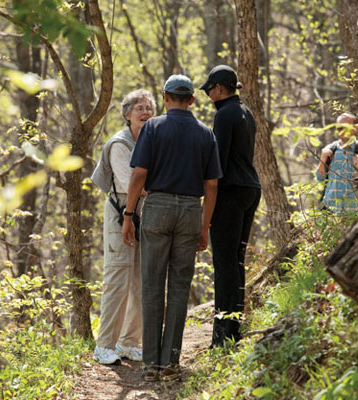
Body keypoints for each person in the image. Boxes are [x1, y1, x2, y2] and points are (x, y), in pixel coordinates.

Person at [122, 75, 222, 381]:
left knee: (152, 285)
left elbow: (139, 175)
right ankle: (170, 363)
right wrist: (204, 227)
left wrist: (128, 214)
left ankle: (151, 364)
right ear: (192, 99)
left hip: (158, 209)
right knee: (179, 287)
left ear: (165, 97)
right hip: (191, 210)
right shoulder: (206, 133)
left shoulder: (152, 127)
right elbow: (212, 185)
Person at [90, 89, 156, 365]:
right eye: (139, 108)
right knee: (117, 277)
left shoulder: (155, 140)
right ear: (127, 114)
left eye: (149, 108)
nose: (144, 112)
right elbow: (133, 183)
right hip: (121, 215)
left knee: (142, 281)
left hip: (148, 216)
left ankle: (129, 343)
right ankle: (104, 345)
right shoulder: (119, 144)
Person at [199, 65, 262, 348]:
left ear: (220, 88)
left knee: (224, 263)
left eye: (209, 89)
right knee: (236, 261)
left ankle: (222, 337)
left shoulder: (223, 115)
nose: (208, 94)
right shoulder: (246, 112)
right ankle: (234, 330)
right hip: (251, 188)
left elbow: (218, 163)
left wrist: (207, 200)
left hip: (231, 192)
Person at [316, 112, 358, 213]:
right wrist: (322, 159)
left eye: (345, 127)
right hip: (330, 209)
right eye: (339, 128)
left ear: (355, 128)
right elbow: (320, 178)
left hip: (355, 210)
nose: (342, 131)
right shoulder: (330, 150)